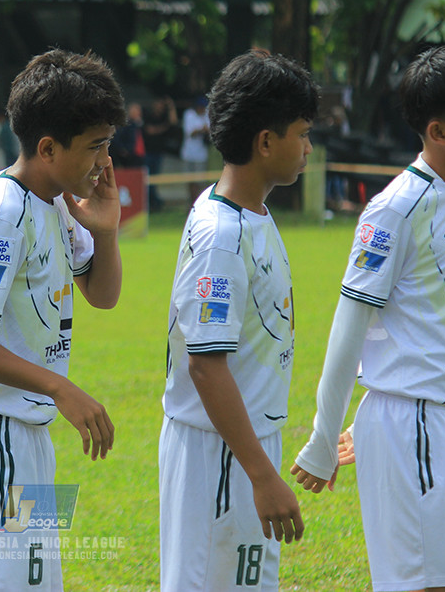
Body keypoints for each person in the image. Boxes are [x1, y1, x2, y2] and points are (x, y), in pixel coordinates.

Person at [291, 45, 445, 592]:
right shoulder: (395, 209)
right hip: (418, 426)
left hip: (444, 421)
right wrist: (324, 437)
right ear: (438, 131)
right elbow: (349, 326)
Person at [0, 48, 126, 592]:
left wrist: (107, 232)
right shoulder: (4, 209)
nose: (104, 161)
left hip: (29, 434)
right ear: (47, 148)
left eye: (107, 144)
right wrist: (59, 387)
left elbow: (102, 294)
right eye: (95, 146)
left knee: (37, 581)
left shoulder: (55, 202)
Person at [159, 49, 318, 591]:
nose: (309, 147)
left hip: (245, 441)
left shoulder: (252, 215)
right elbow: (206, 366)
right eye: (302, 133)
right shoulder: (221, 235)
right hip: (219, 452)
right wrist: (261, 475)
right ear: (266, 142)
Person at [143, 96, 179, 212]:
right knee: (148, 179)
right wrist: (163, 128)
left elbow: (173, 123)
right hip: (148, 152)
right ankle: (151, 202)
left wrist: (171, 107)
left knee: (155, 179)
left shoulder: (164, 117)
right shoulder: (148, 116)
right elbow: (150, 130)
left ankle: (154, 203)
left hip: (158, 153)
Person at [181, 95, 211, 204]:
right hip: (188, 153)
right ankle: (191, 203)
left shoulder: (207, 116)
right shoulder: (189, 115)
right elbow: (190, 133)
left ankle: (200, 203)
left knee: (200, 181)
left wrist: (205, 131)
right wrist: (201, 129)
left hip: (201, 154)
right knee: (190, 181)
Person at [111, 102, 145, 168]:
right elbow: (117, 137)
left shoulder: (141, 124)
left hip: (141, 154)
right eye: (133, 111)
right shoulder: (126, 125)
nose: (135, 113)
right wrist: (123, 149)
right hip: (129, 155)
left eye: (137, 111)